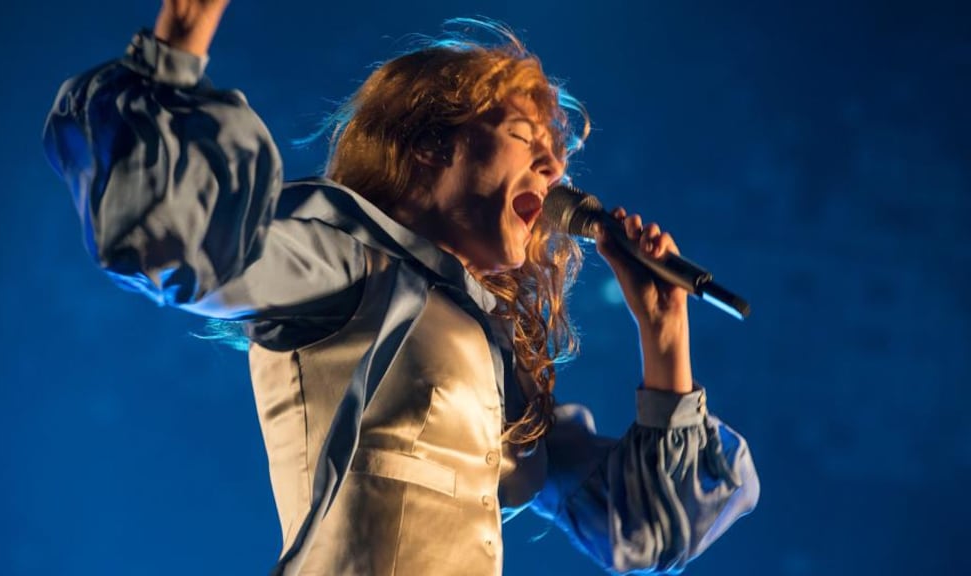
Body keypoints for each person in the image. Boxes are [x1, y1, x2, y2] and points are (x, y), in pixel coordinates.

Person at [43, 1, 759, 574]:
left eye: (557, 158)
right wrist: (176, 51)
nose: (551, 167)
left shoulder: (491, 352)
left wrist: (663, 333)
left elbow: (642, 531)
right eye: (526, 138)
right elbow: (184, 244)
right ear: (428, 145)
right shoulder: (348, 269)